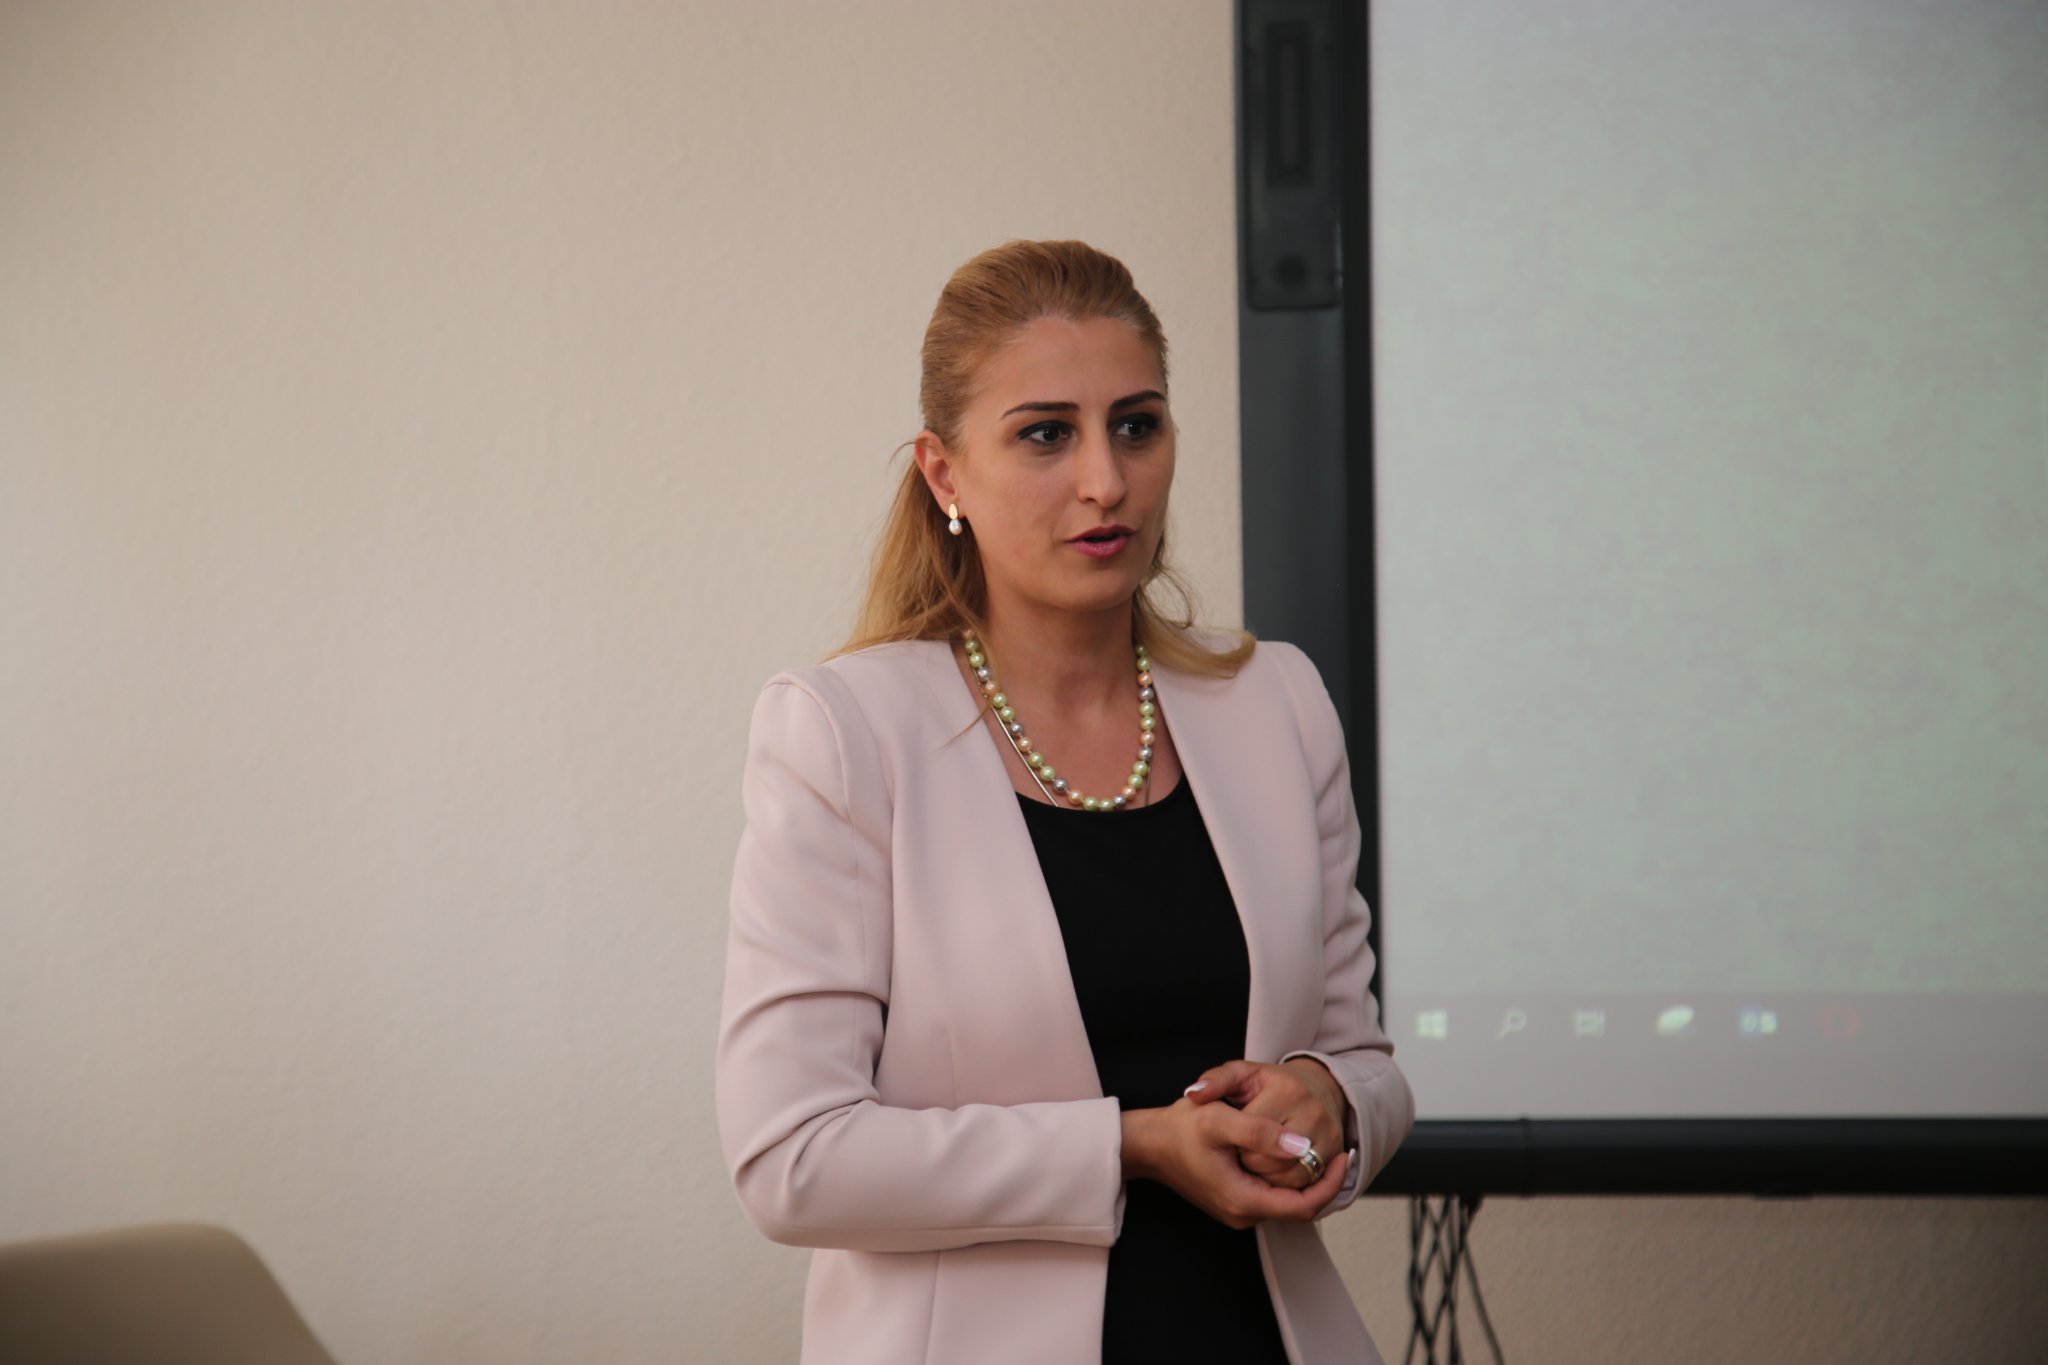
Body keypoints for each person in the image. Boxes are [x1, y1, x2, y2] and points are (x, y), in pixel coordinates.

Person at [715, 239, 1415, 1364]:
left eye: (1136, 425)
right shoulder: (842, 734)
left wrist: (1326, 1097)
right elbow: (791, 1160)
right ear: (943, 474)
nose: (1106, 480)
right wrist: (1130, 1147)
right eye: (1046, 434)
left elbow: (1366, 1060)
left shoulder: (1275, 701)